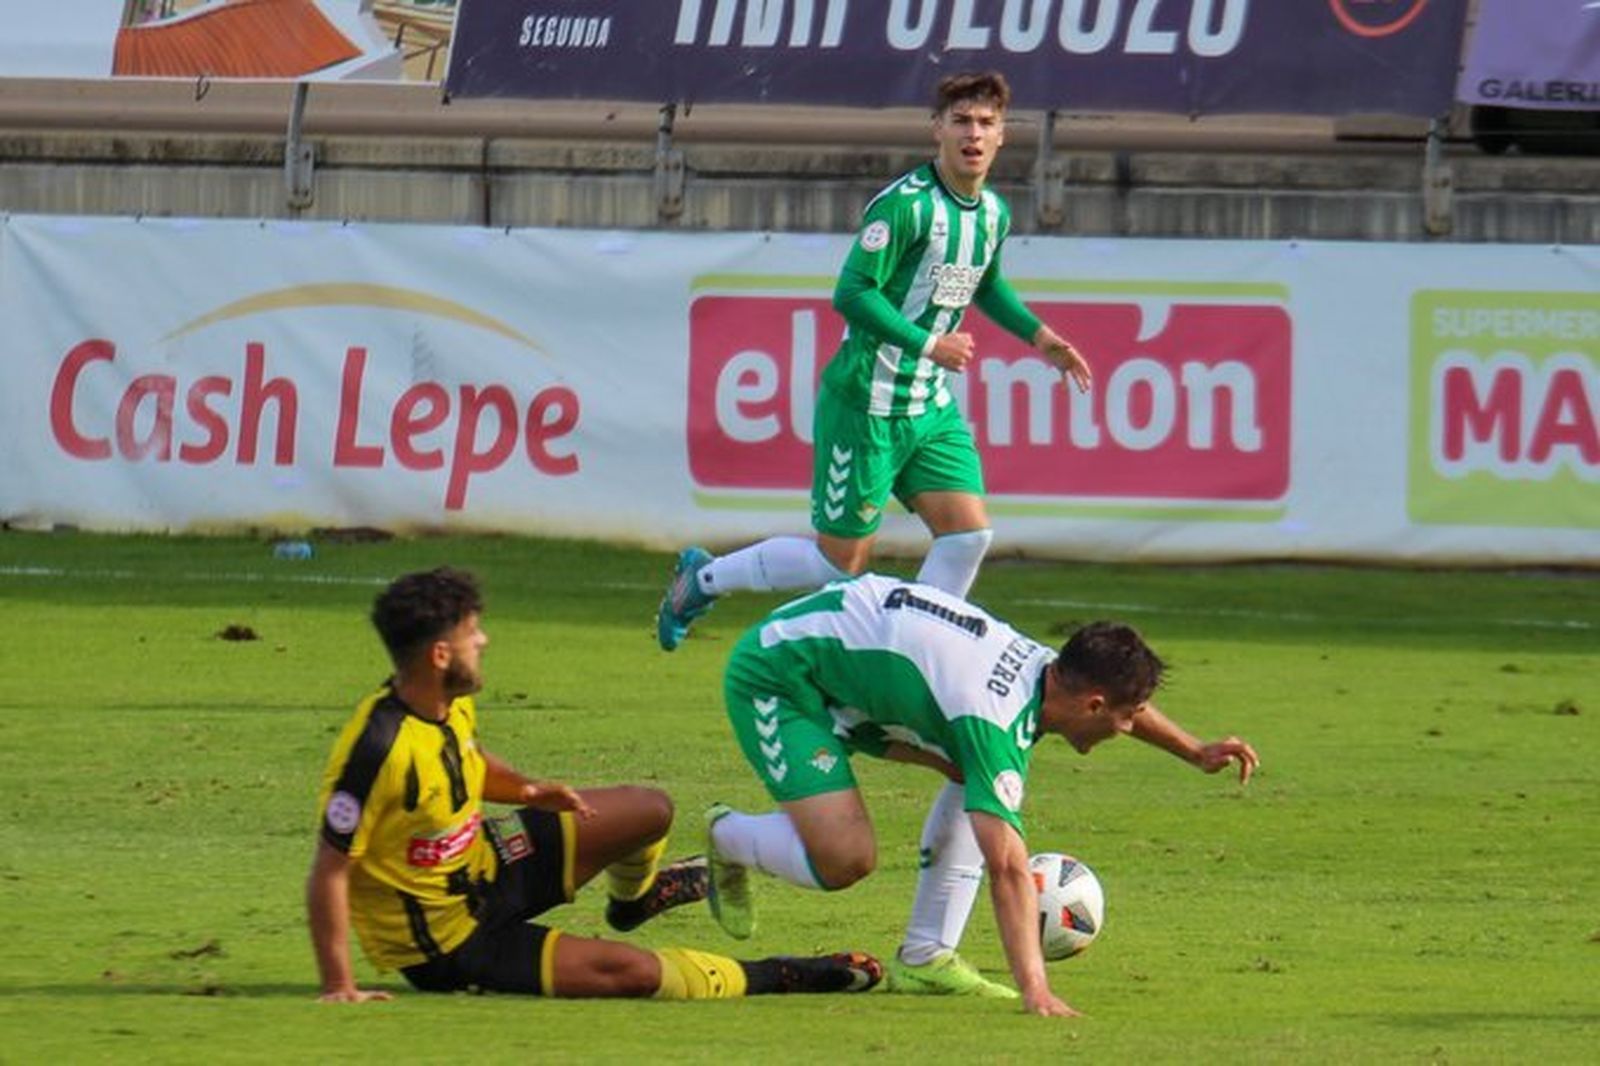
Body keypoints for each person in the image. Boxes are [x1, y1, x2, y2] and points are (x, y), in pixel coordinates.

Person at [657, 68, 1089, 655]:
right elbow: (852, 294)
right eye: (961, 121)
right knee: (840, 565)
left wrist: (1041, 338)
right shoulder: (905, 207)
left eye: (987, 123)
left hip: (928, 409)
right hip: (867, 405)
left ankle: (908, 654)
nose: (974, 133)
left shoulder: (992, 212)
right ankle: (701, 579)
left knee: (967, 536)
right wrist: (928, 344)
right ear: (936, 128)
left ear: (1003, 135)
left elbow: (985, 282)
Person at [307, 566, 883, 1003]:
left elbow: (466, 760)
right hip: (451, 944)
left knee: (649, 810)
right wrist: (340, 985)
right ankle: (781, 974)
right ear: (439, 655)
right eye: (471, 633)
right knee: (628, 973)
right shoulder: (374, 750)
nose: (481, 642)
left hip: (491, 863)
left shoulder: (441, 701)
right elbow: (329, 872)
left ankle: (636, 900)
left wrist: (529, 792)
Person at [700, 574, 1259, 1016]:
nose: (1128, 728)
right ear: (1091, 704)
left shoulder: (1046, 671)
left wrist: (1194, 750)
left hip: (850, 661)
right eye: (1126, 719)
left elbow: (1121, 700)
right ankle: (728, 837)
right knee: (846, 859)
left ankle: (924, 958)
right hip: (780, 677)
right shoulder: (994, 721)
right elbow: (1009, 868)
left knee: (971, 777)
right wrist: (1035, 989)